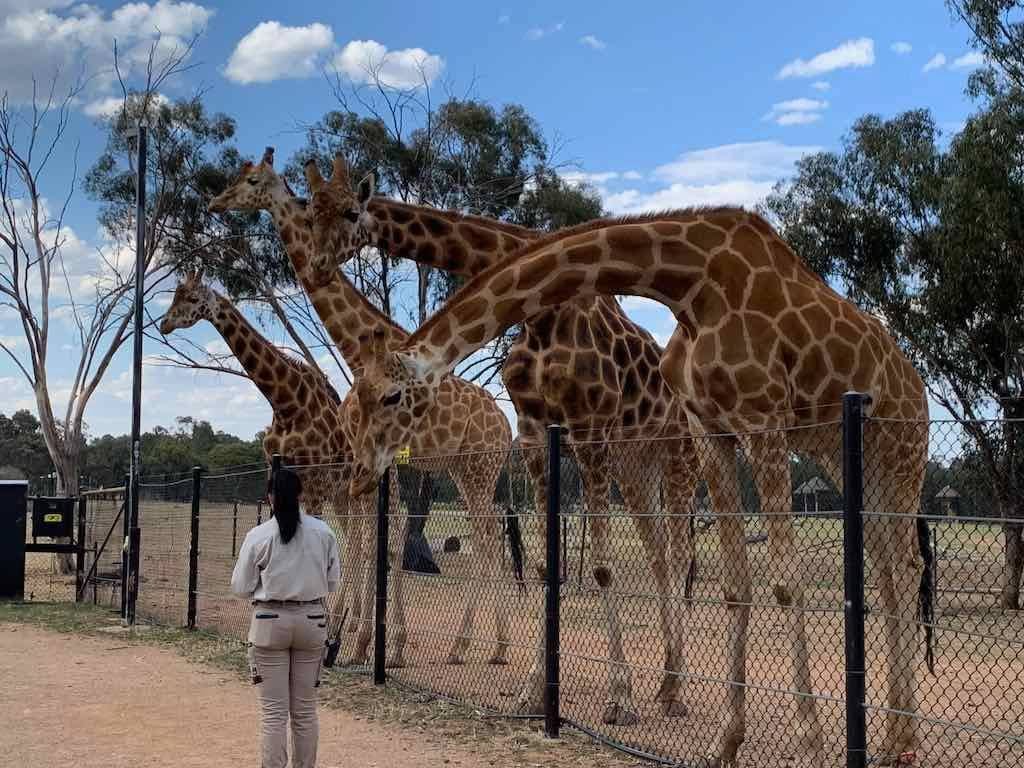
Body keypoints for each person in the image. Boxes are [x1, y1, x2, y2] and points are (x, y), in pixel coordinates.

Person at [231, 467, 341, 768]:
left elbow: (240, 587)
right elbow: (332, 582)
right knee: (305, 712)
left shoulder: (259, 536)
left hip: (269, 622)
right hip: (312, 621)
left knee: (273, 713)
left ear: (270, 498)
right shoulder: (324, 532)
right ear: (300, 495)